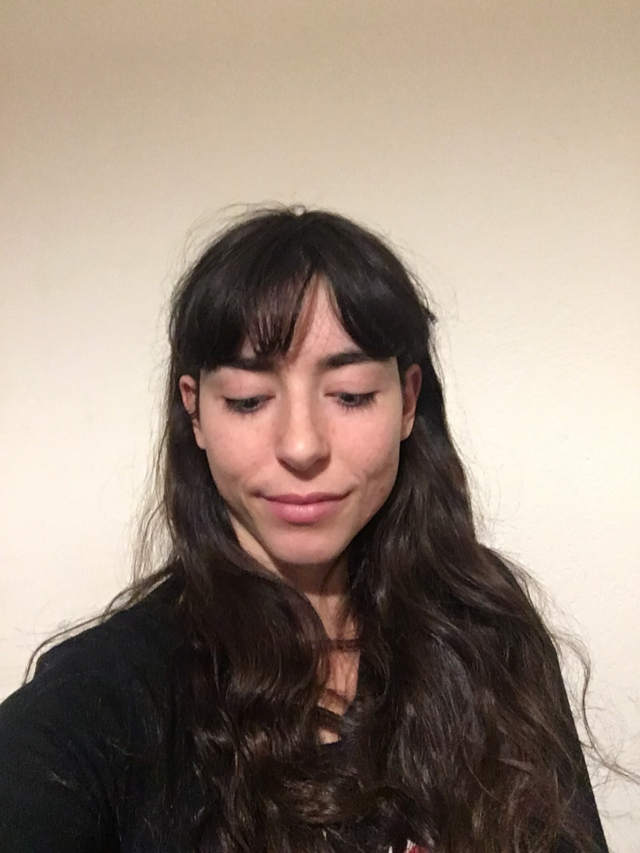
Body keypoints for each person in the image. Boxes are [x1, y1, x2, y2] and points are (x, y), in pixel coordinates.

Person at [0, 207, 609, 853]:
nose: (301, 445)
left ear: (407, 400)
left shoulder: (484, 631)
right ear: (195, 411)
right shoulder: (101, 699)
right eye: (248, 400)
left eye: (350, 394)